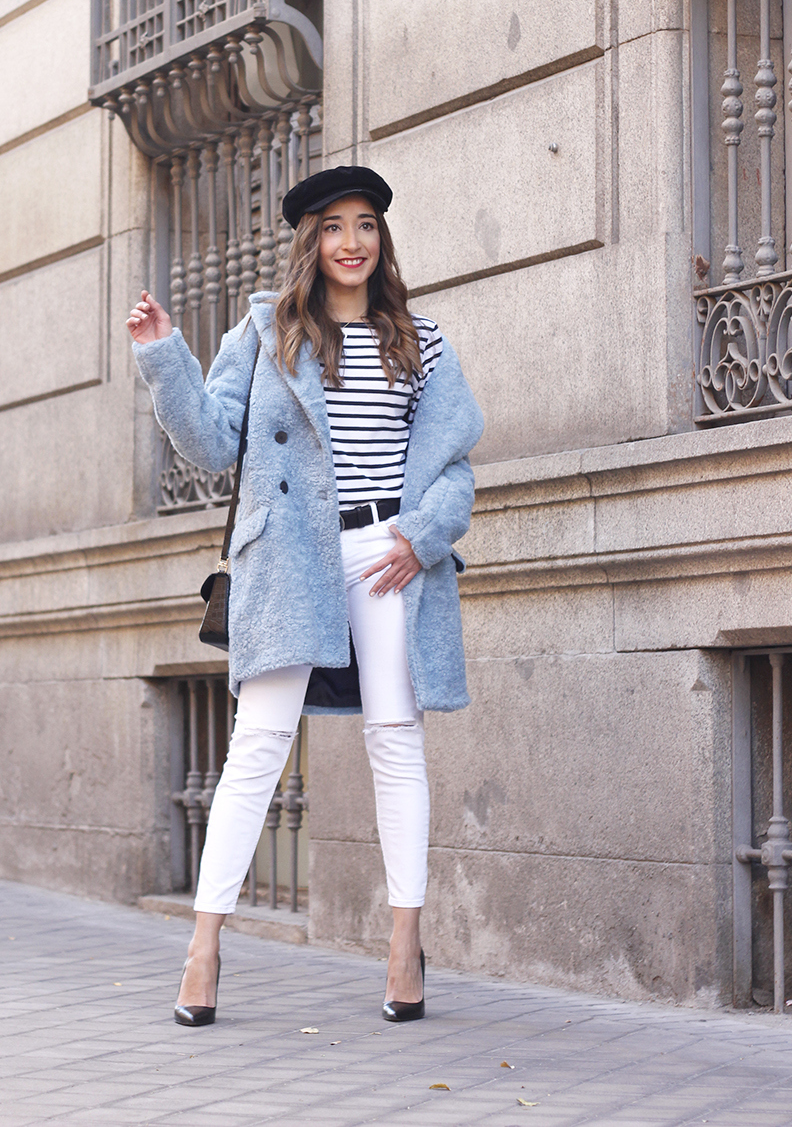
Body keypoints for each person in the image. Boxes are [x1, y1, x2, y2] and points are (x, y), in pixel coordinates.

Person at [126, 164, 482, 1027]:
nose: (351, 243)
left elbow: (454, 465)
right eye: (333, 227)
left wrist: (422, 535)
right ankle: (203, 949)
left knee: (396, 741)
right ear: (310, 243)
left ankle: (404, 945)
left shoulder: (422, 342)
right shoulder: (267, 332)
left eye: (365, 225)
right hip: (291, 556)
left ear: (381, 239)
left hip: (388, 554)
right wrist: (164, 356)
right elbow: (213, 444)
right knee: (256, 747)